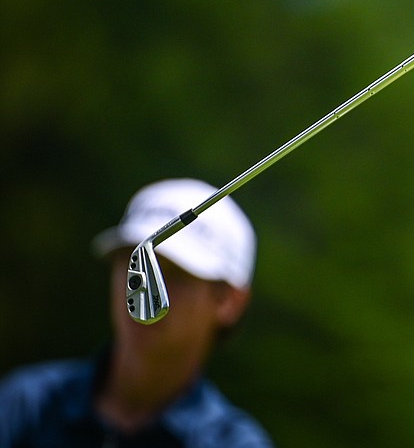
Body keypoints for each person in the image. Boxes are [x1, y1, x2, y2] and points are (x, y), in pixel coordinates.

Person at [0, 179, 272, 447]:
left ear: (229, 302)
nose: (142, 290)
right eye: (133, 267)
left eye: (176, 274)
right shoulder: (26, 404)